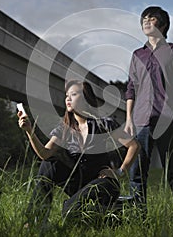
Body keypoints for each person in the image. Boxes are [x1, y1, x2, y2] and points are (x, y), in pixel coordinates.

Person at [18, 79, 140, 223]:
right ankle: (35, 220)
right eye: (67, 95)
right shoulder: (64, 128)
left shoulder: (103, 123)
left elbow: (134, 146)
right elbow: (44, 153)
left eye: (74, 94)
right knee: (49, 164)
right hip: (77, 184)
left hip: (101, 183)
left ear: (85, 98)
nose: (68, 98)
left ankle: (76, 210)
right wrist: (29, 131)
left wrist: (120, 172)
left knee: (73, 213)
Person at [124, 6, 173, 218]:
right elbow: (131, 87)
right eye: (143, 19)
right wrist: (128, 118)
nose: (146, 21)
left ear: (163, 24)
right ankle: (138, 217)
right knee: (137, 172)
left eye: (151, 18)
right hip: (141, 121)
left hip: (167, 119)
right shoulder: (137, 55)